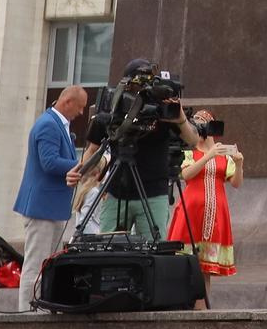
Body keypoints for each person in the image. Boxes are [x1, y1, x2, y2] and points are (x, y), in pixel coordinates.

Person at [70, 60, 212, 244]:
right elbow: (92, 151)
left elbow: (193, 140)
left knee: (153, 251)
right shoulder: (111, 115)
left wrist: (181, 118)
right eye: (139, 85)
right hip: (116, 193)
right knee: (109, 250)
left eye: (148, 85)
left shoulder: (162, 114)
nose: (142, 91)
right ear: (126, 85)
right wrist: (82, 171)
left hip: (154, 194)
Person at [12, 85, 88, 312]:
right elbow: (49, 162)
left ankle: (40, 309)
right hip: (42, 209)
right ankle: (26, 315)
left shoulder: (56, 124)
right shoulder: (48, 125)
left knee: (46, 265)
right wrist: (80, 166)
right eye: (80, 107)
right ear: (67, 102)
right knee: (35, 265)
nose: (81, 113)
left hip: (51, 208)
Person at [167, 117, 243, 278]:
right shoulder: (189, 152)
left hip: (215, 214)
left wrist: (239, 164)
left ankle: (202, 304)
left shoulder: (223, 155)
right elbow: (186, 174)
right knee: (184, 266)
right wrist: (208, 155)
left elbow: (236, 183)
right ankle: (185, 302)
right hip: (192, 211)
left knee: (205, 271)